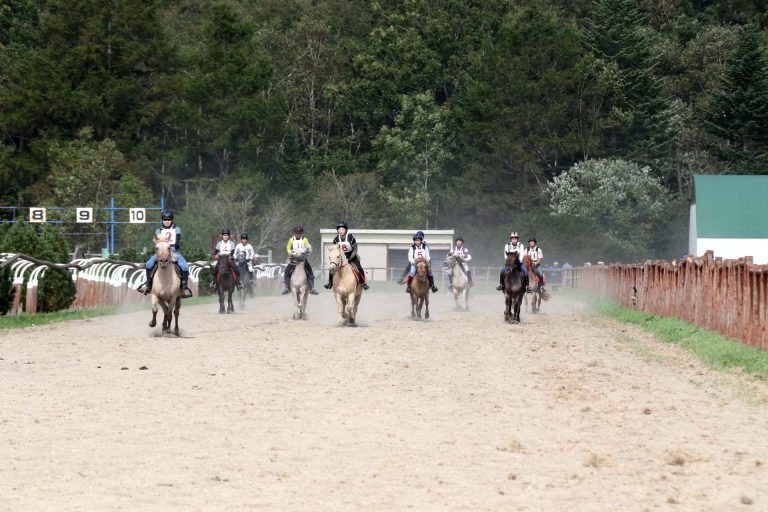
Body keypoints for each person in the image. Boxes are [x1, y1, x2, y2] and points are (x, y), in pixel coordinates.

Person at [137, 209, 193, 298]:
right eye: (165, 219)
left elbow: (177, 240)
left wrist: (173, 247)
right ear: (162, 220)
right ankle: (148, 284)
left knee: (184, 266)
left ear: (172, 220)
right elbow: (157, 241)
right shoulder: (158, 230)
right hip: (161, 252)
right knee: (149, 264)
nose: (167, 221)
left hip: (174, 252)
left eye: (169, 219)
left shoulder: (177, 229)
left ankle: (184, 288)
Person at [324, 221, 370, 290]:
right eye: (339, 229)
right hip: (341, 257)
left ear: (346, 230)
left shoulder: (351, 238)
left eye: (342, 229)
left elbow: (355, 249)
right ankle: (330, 283)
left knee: (359, 268)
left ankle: (363, 283)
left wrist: (349, 259)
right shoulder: (336, 239)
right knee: (332, 268)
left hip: (352, 256)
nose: (341, 231)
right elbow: (335, 250)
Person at [281, 225, 319, 295]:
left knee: (309, 270)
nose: (298, 234)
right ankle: (286, 287)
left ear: (302, 233)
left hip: (303, 259)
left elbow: (309, 248)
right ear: (294, 233)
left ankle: (312, 288)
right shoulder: (291, 240)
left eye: (300, 233)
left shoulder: (305, 239)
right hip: (294, 258)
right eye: (297, 233)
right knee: (287, 270)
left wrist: (307, 252)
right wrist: (290, 253)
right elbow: (288, 247)